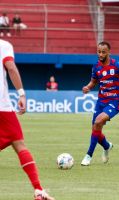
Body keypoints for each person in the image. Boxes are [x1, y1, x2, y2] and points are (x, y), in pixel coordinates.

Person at [0, 39, 55, 200]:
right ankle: (38, 190)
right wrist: (21, 93)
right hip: (2, 107)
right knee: (18, 143)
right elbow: (10, 66)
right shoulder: (3, 45)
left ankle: (38, 190)